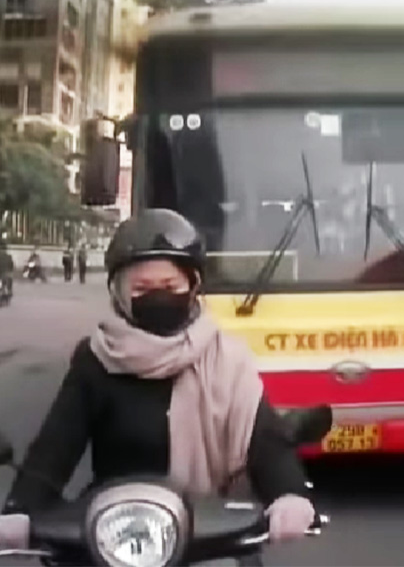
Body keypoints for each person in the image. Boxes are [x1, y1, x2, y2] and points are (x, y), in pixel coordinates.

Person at [0, 208, 316, 548]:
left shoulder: (228, 358)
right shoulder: (96, 358)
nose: (158, 295)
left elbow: (264, 438)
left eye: (169, 285)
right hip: (117, 533)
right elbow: (56, 444)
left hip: (208, 530)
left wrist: (289, 495)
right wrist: (21, 509)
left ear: (192, 286)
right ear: (119, 293)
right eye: (142, 287)